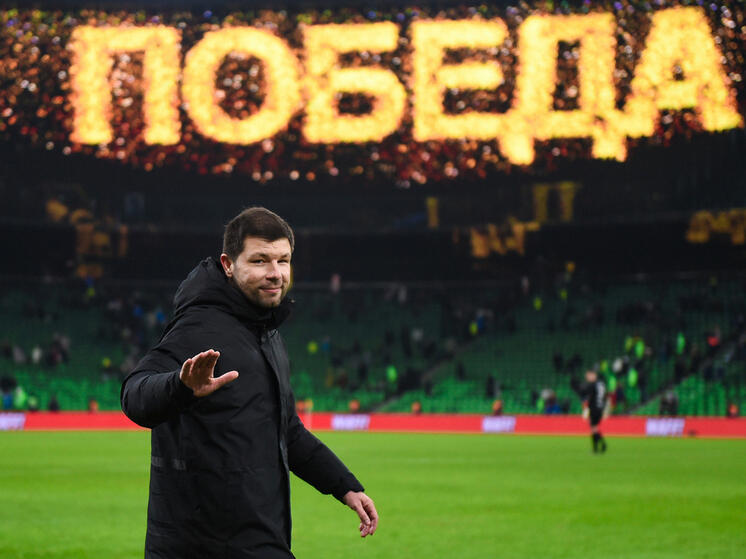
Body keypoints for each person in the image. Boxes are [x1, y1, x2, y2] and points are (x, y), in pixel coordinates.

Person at [121, 207, 378, 559]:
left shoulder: (265, 333)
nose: (275, 273)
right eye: (260, 261)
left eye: (283, 260)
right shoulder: (198, 325)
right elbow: (134, 394)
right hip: (202, 547)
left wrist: (344, 486)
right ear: (228, 265)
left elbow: (286, 431)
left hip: (256, 539)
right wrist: (180, 386)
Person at [578, 369, 609, 454]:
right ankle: (601, 445)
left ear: (593, 375)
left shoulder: (592, 385)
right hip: (600, 408)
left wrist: (586, 408)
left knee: (593, 428)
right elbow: (605, 397)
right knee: (594, 428)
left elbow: (586, 395)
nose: (587, 377)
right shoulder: (601, 384)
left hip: (594, 408)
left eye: (588, 375)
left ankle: (597, 448)